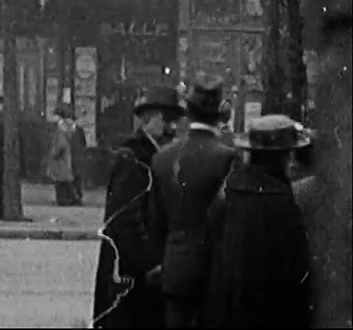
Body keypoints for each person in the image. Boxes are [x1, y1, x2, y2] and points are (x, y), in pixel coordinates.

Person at [205, 115, 312, 329]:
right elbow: (295, 269)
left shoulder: (227, 192)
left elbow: (210, 242)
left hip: (225, 310)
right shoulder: (283, 203)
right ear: (286, 156)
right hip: (269, 313)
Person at [148, 78, 239, 329]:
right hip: (215, 272)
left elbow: (155, 222)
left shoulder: (162, 158)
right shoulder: (228, 158)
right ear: (221, 114)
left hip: (175, 268)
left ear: (187, 112)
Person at [93, 86, 185, 329]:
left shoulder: (154, 156)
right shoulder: (133, 158)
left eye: (175, 121)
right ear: (148, 119)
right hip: (133, 278)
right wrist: (151, 264)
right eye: (167, 120)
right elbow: (123, 223)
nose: (173, 128)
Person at [48, 105, 78, 206]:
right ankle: (72, 199)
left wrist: (54, 153)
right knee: (66, 180)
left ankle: (64, 200)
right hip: (66, 157)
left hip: (61, 158)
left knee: (60, 181)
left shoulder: (60, 129)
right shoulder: (69, 128)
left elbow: (60, 144)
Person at [70, 112, 88, 203]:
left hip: (78, 157)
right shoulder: (68, 130)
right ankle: (73, 196)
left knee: (78, 177)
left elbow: (83, 143)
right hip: (70, 157)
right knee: (71, 178)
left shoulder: (79, 130)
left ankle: (78, 196)